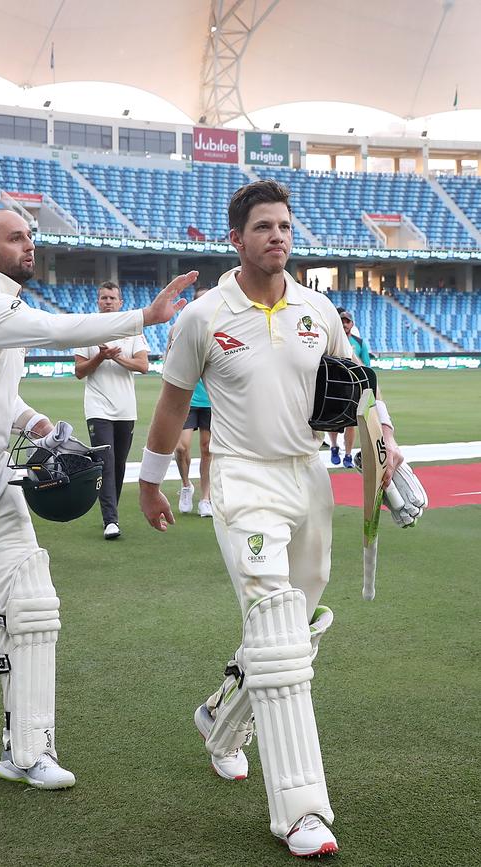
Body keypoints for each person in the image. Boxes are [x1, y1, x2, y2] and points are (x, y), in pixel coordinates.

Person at [0, 208, 197, 790]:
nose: (29, 245)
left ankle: (27, 750)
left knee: (32, 606)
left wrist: (37, 424)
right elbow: (56, 332)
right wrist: (145, 316)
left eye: (30, 235)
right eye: (15, 238)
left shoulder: (4, 308)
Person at [138, 180, 402, 858]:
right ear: (237, 239)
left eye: (284, 225)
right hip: (243, 478)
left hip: (309, 476)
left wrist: (384, 437)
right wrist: (150, 480)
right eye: (263, 226)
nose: (277, 236)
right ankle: (301, 811)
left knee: (298, 617)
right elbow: (171, 405)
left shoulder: (318, 308)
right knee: (281, 631)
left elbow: (357, 383)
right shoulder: (202, 316)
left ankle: (221, 718)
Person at [73, 282, 149, 540]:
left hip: (126, 409)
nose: (107, 301)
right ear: (98, 301)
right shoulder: (89, 331)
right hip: (98, 407)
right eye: (103, 297)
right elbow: (79, 372)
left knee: (118, 464)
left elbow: (143, 365)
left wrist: (115, 357)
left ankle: (110, 509)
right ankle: (111, 519)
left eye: (112, 298)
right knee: (105, 462)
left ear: (120, 302)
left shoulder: (132, 331)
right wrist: (100, 357)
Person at [174, 287, 213, 517]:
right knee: (181, 448)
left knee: (208, 449)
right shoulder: (179, 330)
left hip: (211, 401)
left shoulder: (221, 331)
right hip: (188, 399)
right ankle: (186, 485)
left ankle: (205, 498)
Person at [329, 309, 372, 468]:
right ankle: (334, 446)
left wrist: (353, 355)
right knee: (332, 419)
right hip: (334, 383)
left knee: (351, 423)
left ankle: (348, 455)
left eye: (347, 321)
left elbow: (366, 366)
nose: (344, 324)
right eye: (342, 321)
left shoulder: (359, 343)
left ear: (352, 324)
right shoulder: (332, 340)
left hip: (352, 386)